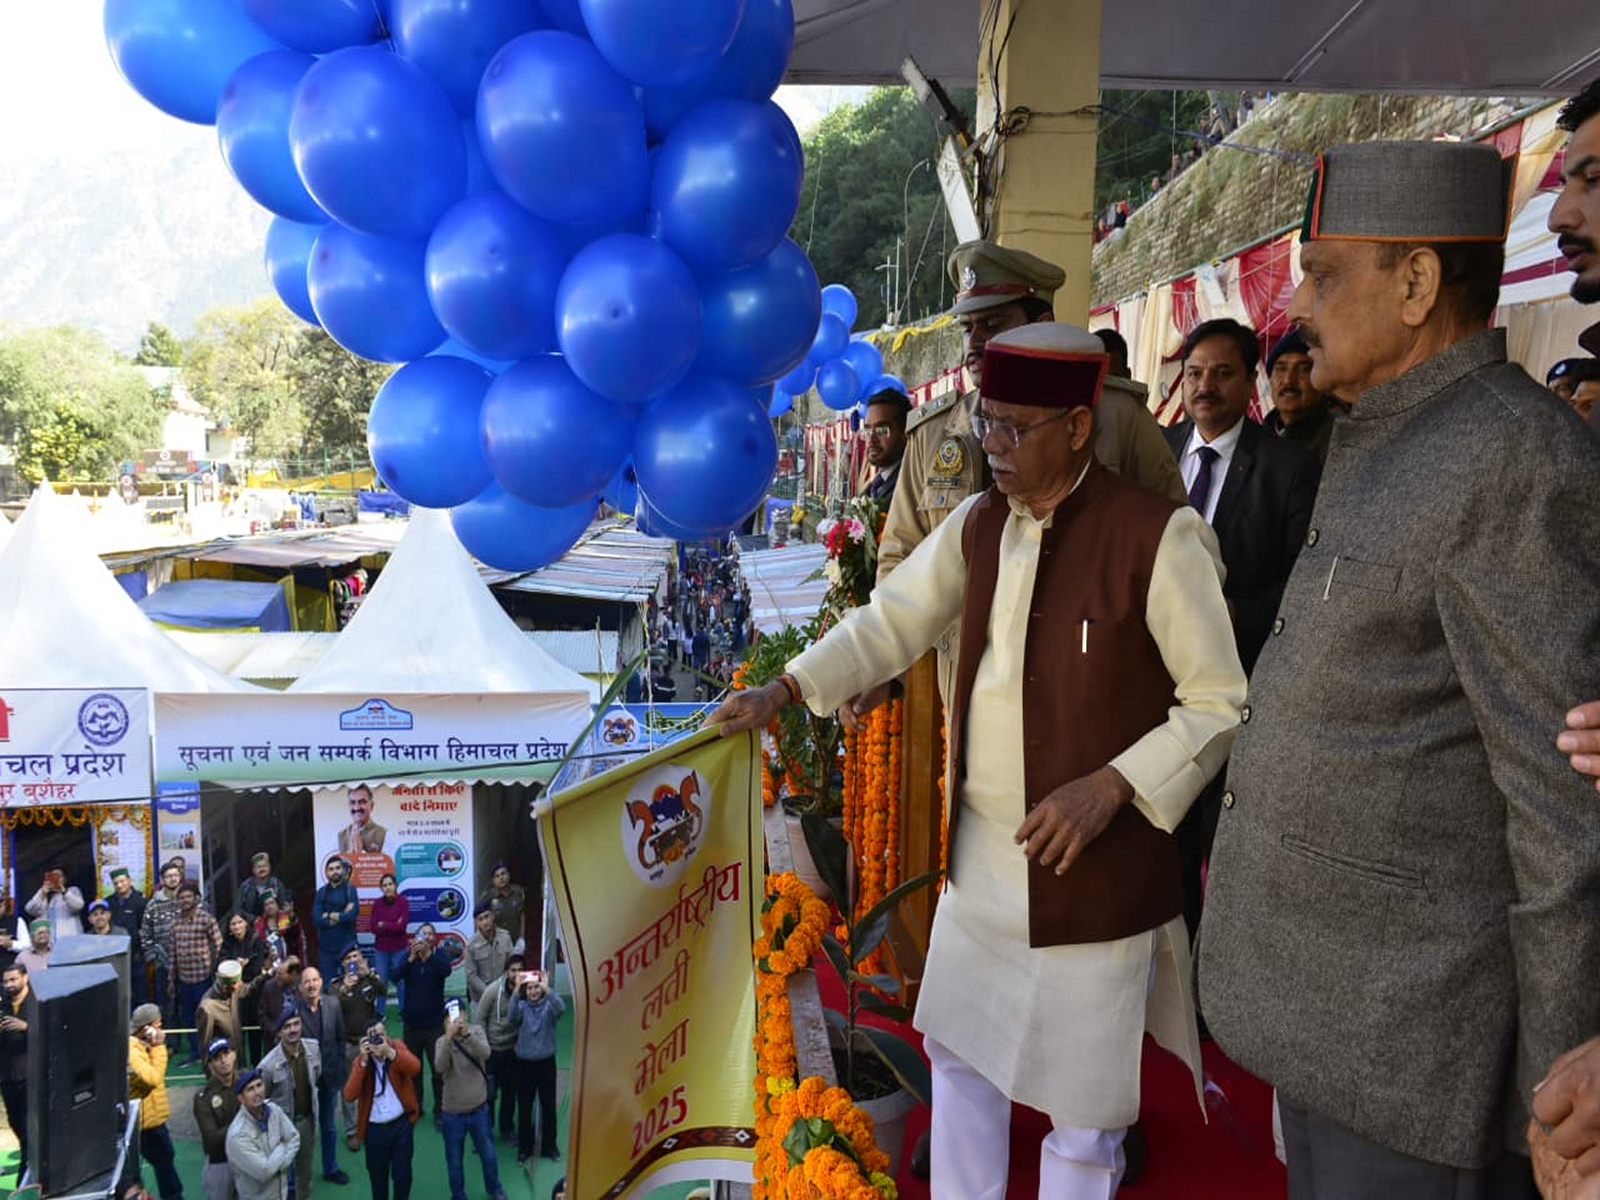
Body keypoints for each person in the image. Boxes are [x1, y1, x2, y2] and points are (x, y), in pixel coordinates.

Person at [709, 321, 1245, 1195]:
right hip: (980, 867)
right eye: (985, 422)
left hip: (1092, 872)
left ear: (1078, 426)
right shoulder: (979, 523)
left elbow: (1220, 703)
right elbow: (891, 622)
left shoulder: (1159, 537)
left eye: (1014, 428)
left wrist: (1113, 787)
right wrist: (787, 689)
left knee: (1083, 1121)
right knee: (957, 1067)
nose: (990, 445)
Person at [1197, 138, 1600, 1199]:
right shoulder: (1386, 429)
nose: (1294, 303)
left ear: (1417, 284)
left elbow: (1560, 795)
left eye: (1324, 273)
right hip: (1338, 1013)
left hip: (1414, 1041)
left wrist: (1561, 1095)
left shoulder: (1511, 454)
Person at [873, 240, 1187, 719]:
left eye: (994, 324)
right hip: (970, 690)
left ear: (1042, 328)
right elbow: (898, 558)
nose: (976, 343)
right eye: (968, 328)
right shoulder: (934, 434)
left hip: (1089, 688)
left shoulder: (1115, 417)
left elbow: (1171, 544)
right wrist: (891, 662)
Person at [1162, 317, 1322, 675]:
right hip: (1154, 656)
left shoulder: (1289, 468)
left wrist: (1235, 614)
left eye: (1222, 374)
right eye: (1194, 374)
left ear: (1251, 382)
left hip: (1239, 664)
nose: (1205, 386)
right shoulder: (1158, 449)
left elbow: (1304, 578)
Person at [434, 999, 509, 1200]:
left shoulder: (476, 1031)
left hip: (479, 1109)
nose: (457, 1019)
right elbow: (440, 1067)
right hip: (452, 1114)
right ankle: (458, 1195)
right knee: (455, 1161)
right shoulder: (442, 1042)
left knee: (489, 1155)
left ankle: (494, 1188)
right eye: (451, 1015)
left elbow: (486, 1053)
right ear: (445, 1020)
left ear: (466, 1014)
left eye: (460, 1013)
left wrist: (467, 1035)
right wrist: (449, 1039)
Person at [343, 1016, 421, 1200]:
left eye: (381, 1035)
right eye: (373, 1037)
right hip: (375, 1130)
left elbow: (415, 1067)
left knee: (403, 1177)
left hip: (401, 1125)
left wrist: (390, 1053)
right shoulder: (362, 1061)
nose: (378, 1041)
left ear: (387, 1035)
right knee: (378, 1180)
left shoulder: (396, 1047)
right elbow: (349, 1095)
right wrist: (363, 1061)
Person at [293, 966, 350, 1186]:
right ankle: (300, 1174)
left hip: (329, 1075)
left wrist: (338, 1064)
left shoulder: (333, 1004)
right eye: (306, 981)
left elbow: (340, 1037)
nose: (311, 984)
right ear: (300, 987)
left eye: (315, 979)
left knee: (329, 1126)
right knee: (303, 1128)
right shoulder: (294, 1010)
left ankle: (331, 1168)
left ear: (321, 981)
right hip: (303, 1079)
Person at [390, 924, 452, 1124]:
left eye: (429, 934)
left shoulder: (439, 955)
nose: (425, 937)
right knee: (414, 1070)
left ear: (434, 938)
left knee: (438, 1070)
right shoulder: (408, 956)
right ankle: (415, 1108)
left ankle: (440, 1112)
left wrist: (429, 956)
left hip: (434, 1025)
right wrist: (410, 959)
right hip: (412, 1025)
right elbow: (394, 976)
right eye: (422, 933)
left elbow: (446, 971)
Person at [257, 1011, 322, 1199]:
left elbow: (316, 1075)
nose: (293, 1030)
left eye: (296, 1024)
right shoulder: (268, 1065)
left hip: (306, 1123)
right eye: (287, 1027)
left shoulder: (314, 1049)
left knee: (305, 1177)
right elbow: (262, 1100)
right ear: (279, 1033)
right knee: (278, 1180)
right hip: (280, 1129)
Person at [508, 968, 565, 1165]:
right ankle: (525, 1149)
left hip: (546, 1065)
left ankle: (550, 1147)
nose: (533, 991)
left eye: (537, 987)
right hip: (524, 1065)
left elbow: (561, 1008)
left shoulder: (549, 1007)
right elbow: (511, 1017)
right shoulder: (521, 1006)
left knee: (549, 1107)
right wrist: (516, 989)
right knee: (524, 1109)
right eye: (530, 988)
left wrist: (547, 988)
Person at [128, 1004, 184, 1200]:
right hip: (145, 1125)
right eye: (158, 1025)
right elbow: (153, 1078)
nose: (161, 1030)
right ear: (145, 1029)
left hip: (152, 1119)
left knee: (166, 1165)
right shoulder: (132, 1051)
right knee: (165, 1174)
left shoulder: (141, 1045)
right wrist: (159, 1048)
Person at [1261, 327, 1341, 464]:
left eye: (1304, 369)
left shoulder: (1340, 437)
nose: (1288, 380)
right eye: (1281, 369)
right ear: (1270, 380)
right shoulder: (1256, 439)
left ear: (1322, 380)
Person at [475, 953, 527, 1145]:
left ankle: (507, 1130)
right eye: (514, 970)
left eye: (521, 970)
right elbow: (479, 1018)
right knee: (488, 1095)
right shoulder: (492, 990)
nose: (517, 973)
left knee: (509, 1094)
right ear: (507, 972)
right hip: (492, 1050)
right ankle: (484, 1133)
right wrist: (484, 1046)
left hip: (514, 1050)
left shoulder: (527, 989)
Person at [226, 1070, 300, 1200]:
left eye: (259, 1085)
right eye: (250, 1089)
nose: (257, 1092)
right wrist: (282, 1147)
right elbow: (264, 1172)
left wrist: (280, 1165)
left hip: (282, 1194)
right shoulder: (237, 1136)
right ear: (240, 1098)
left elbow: (294, 1138)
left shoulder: (274, 1110)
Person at [171, 881, 223, 1064]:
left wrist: (218, 971)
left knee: (206, 1017)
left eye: (188, 896)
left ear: (196, 898)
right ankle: (195, 1053)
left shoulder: (206, 919)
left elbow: (219, 946)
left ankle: (210, 1052)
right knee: (188, 1018)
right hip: (184, 980)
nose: (185, 900)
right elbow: (173, 953)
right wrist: (171, 979)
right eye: (182, 897)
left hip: (203, 978)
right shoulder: (176, 923)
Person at [194, 1037, 242, 1200]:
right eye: (217, 1058)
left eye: (226, 1053)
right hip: (220, 1162)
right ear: (210, 1065)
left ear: (234, 1055)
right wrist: (244, 1123)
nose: (223, 1060)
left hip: (249, 1157)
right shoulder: (203, 1097)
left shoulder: (247, 1082)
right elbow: (211, 1138)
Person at [0, 963, 34, 1172]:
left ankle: (26, 1174)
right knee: (17, 1125)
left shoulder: (38, 1002)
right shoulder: (2, 1006)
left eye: (13, 979)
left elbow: (54, 1032)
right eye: (5, 981)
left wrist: (27, 1027)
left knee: (32, 1129)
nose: (9, 985)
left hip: (32, 1077)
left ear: (25, 978)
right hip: (7, 1078)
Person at [141, 861, 186, 1020]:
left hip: (188, 964)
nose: (173, 879)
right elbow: (145, 933)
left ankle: (193, 1045)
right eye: (168, 876)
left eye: (175, 875)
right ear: (162, 880)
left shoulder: (188, 900)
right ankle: (170, 1045)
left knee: (187, 1007)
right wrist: (153, 958)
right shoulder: (153, 905)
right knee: (167, 1009)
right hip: (163, 965)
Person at [196, 958, 262, 1062]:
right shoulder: (207, 1008)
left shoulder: (233, 991)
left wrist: (270, 973)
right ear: (227, 986)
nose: (240, 984)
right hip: (222, 1065)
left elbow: (249, 988)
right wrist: (211, 1073)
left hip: (239, 1059)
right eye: (238, 983)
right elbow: (205, 1044)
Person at [107, 866, 149, 1006]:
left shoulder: (140, 902)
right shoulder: (109, 903)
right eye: (116, 883)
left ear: (129, 881)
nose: (119, 885)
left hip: (136, 956)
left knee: (140, 994)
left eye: (122, 881)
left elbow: (146, 928)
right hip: (115, 957)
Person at [859, 388, 911, 502]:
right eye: (867, 431)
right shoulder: (873, 487)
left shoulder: (910, 485)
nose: (871, 440)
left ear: (905, 433)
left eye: (881, 430)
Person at [368, 874, 409, 1018]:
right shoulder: (377, 904)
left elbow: (402, 927)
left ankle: (404, 1011)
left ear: (395, 885)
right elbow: (373, 928)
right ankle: (380, 1012)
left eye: (390, 884)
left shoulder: (403, 902)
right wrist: (393, 924)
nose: (388, 887)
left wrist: (384, 924)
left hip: (400, 948)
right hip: (382, 950)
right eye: (384, 885)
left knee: (402, 982)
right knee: (381, 982)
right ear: (381, 888)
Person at [314, 857, 359, 985]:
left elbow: (352, 915)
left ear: (343, 870)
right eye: (331, 869)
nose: (335, 872)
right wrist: (340, 915)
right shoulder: (321, 893)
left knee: (353, 985)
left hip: (349, 949)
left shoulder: (351, 889)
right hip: (326, 950)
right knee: (329, 988)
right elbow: (316, 919)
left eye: (338, 868)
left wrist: (328, 914)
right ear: (326, 873)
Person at [463, 906, 511, 1005]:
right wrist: (489, 993)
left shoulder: (505, 938)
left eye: (487, 917)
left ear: (492, 916)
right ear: (477, 923)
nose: (485, 922)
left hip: (503, 995)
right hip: (480, 999)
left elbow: (512, 965)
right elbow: (471, 976)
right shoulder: (471, 946)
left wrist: (505, 988)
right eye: (480, 919)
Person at [25, 865, 84, 941]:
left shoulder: (72, 891)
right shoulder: (45, 896)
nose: (56, 879)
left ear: (65, 879)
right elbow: (29, 909)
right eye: (52, 877)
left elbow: (78, 906)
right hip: (50, 943)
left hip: (70, 941)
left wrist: (63, 891)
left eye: (59, 876)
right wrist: (42, 893)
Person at [258, 955, 302, 1053]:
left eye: (281, 974)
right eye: (277, 973)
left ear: (292, 974)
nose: (277, 977)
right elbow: (262, 1015)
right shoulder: (269, 987)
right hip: (275, 1044)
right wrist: (276, 1031)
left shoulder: (302, 986)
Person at [479, 865, 525, 955]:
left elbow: (522, 914)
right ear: (493, 881)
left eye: (503, 874)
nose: (501, 878)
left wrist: (522, 937)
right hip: (497, 942)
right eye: (497, 876)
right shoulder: (488, 896)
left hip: (515, 939)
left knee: (516, 966)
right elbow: (480, 918)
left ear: (508, 875)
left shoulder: (518, 892)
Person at [255, 891, 307, 969]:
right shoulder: (259, 925)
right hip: (270, 967)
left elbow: (296, 935)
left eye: (272, 903)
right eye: (266, 904)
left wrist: (291, 915)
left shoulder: (287, 919)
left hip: (290, 964)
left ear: (277, 905)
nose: (270, 906)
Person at [237, 853, 288, 921]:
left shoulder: (277, 884)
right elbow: (237, 909)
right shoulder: (246, 886)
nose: (262, 869)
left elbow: (284, 906)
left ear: (269, 867)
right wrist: (253, 919)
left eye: (264, 866)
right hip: (251, 924)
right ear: (253, 870)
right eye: (258, 867)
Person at [338, 785, 388, 855]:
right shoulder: (341, 835)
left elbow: (388, 864)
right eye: (352, 802)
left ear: (372, 806)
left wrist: (361, 853)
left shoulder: (384, 834)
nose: (356, 807)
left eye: (362, 802)